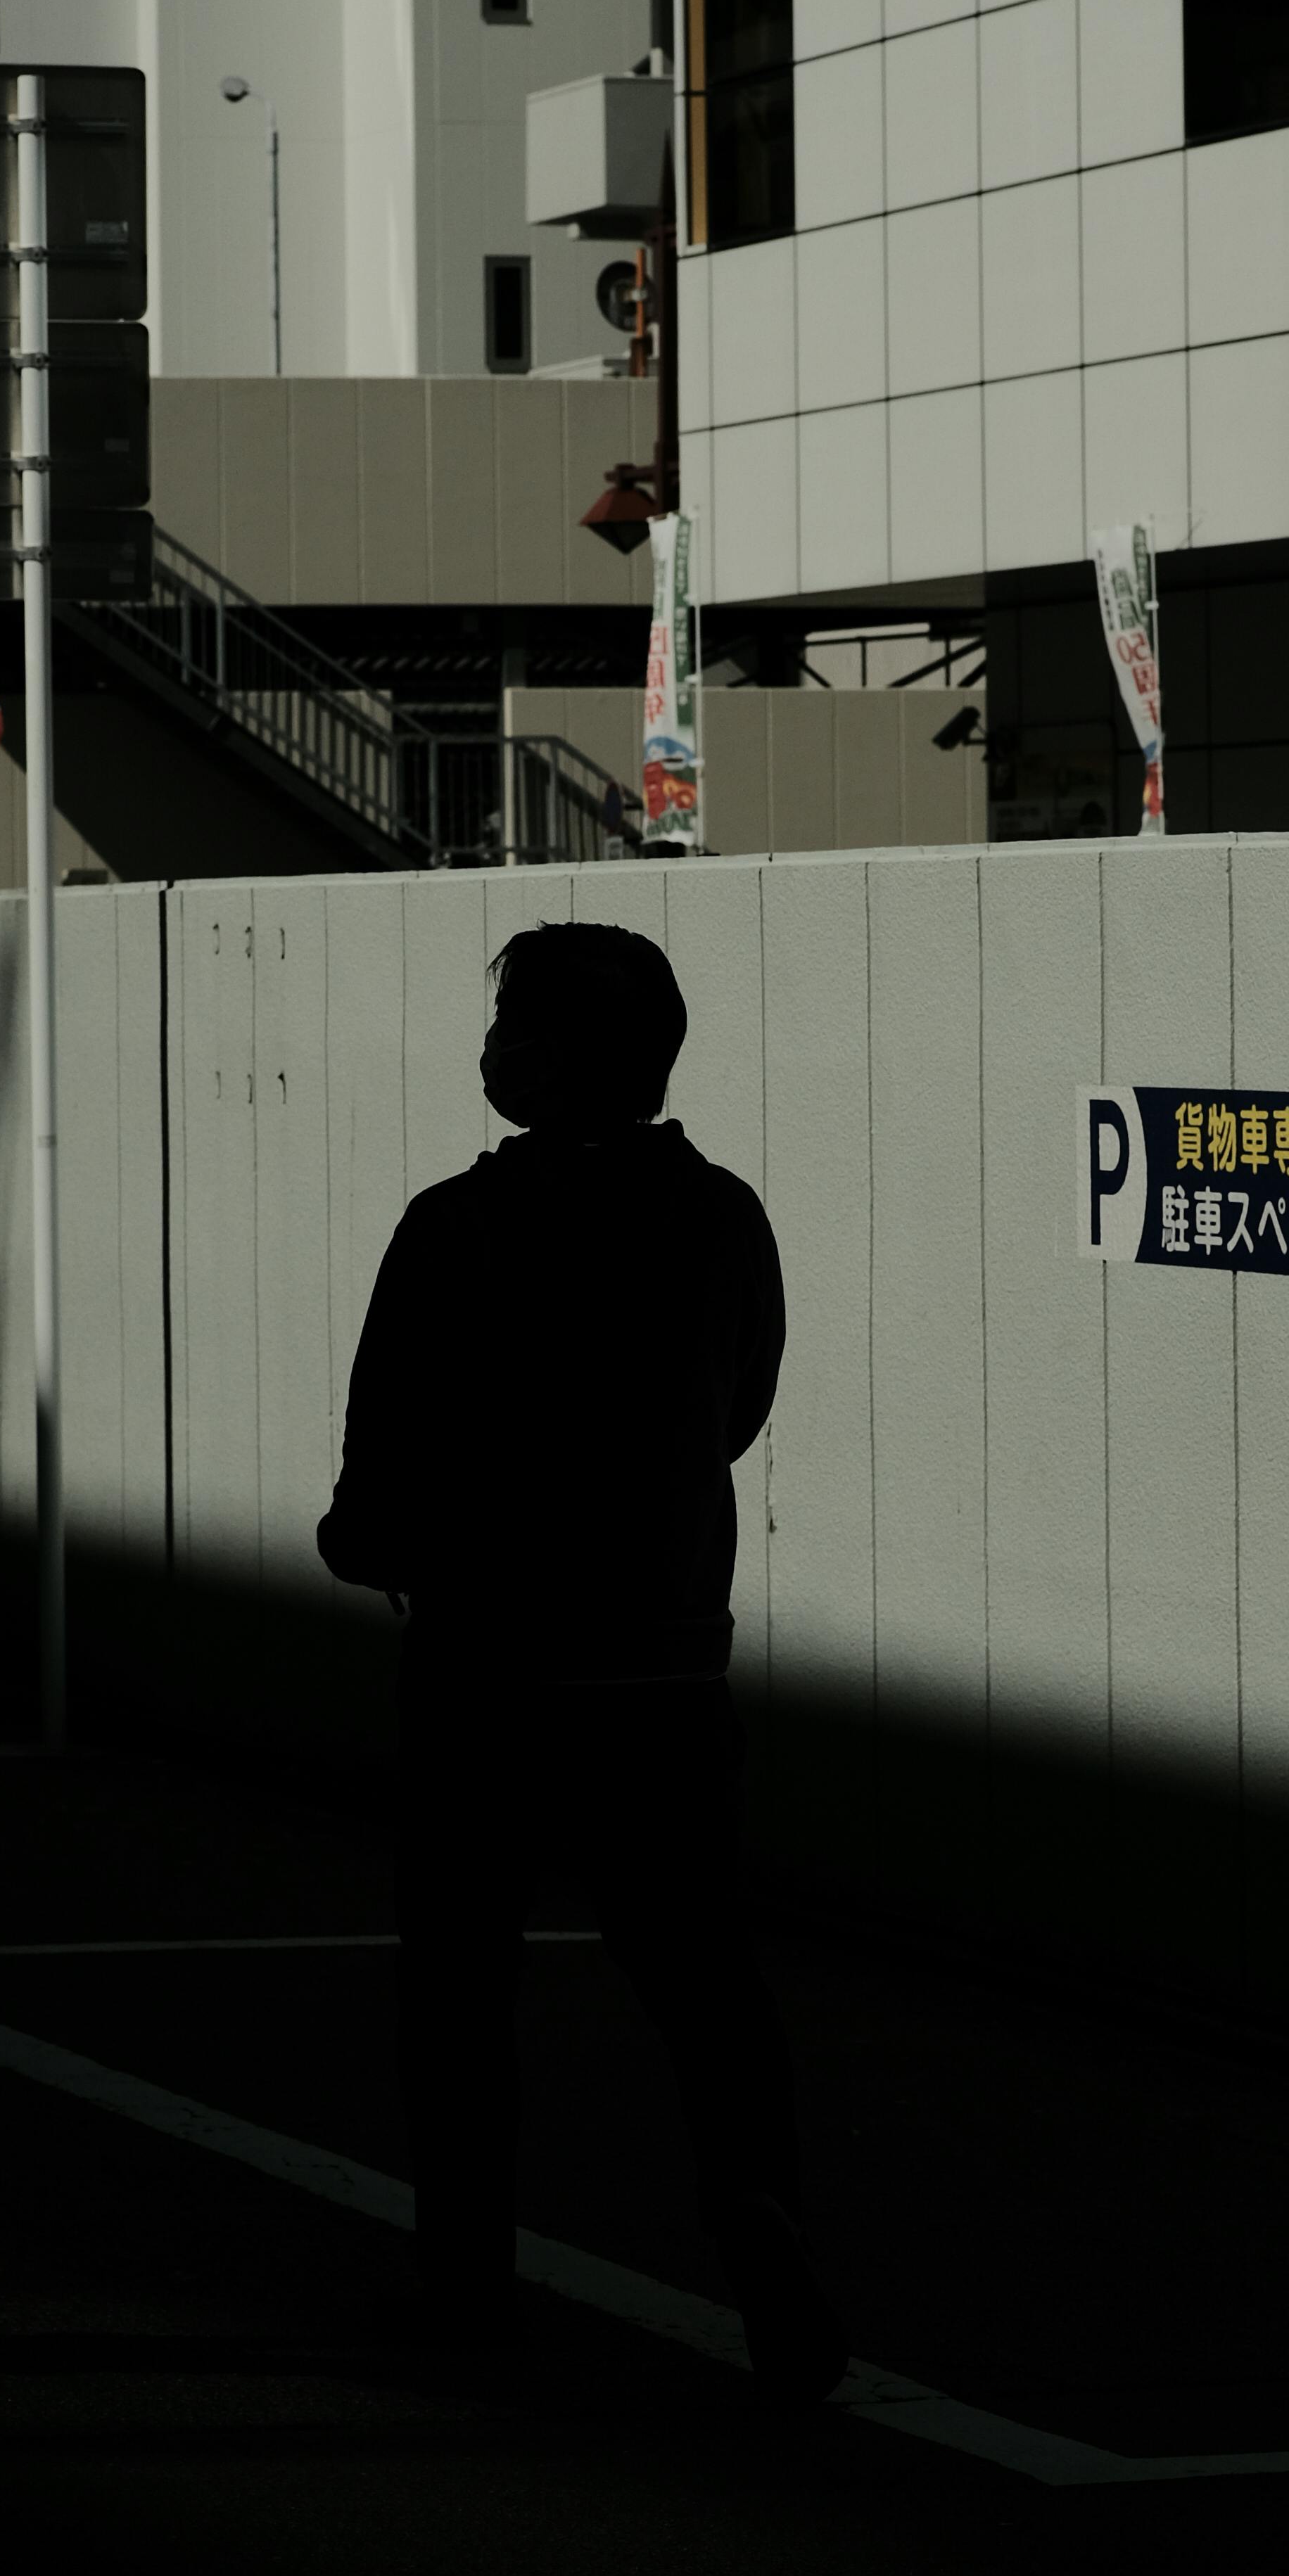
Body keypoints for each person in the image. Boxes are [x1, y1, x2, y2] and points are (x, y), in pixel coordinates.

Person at [317, 922, 848, 2404]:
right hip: (666, 1673)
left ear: (547, 1058)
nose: (489, 1050)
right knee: (701, 1980)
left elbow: (378, 1487)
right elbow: (737, 1411)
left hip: (487, 1674)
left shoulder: (454, 1229)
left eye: (508, 1027)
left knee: (460, 1993)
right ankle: (759, 2205)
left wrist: (374, 1542)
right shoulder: (722, 1219)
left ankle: (470, 2284)